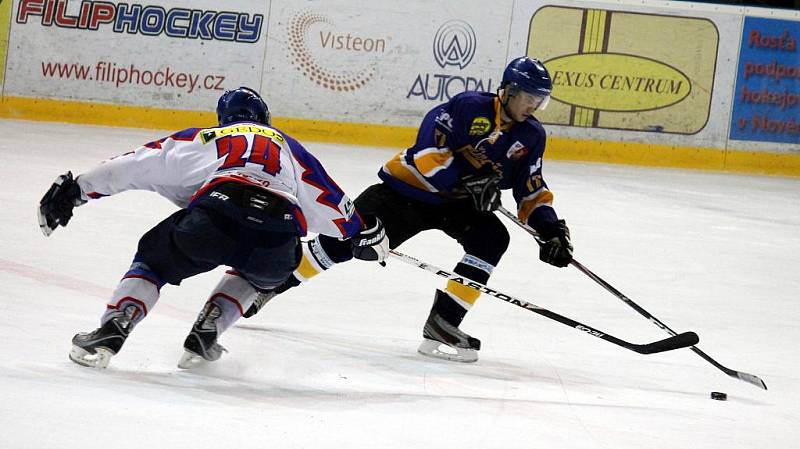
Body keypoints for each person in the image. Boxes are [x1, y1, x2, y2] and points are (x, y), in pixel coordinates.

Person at [245, 56, 573, 363]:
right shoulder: (468, 107)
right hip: (408, 193)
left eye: (539, 99)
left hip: (458, 205)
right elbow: (427, 152)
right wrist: (466, 179)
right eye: (528, 96)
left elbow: (531, 186)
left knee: (492, 238)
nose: (532, 106)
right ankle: (271, 284)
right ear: (509, 91)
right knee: (342, 242)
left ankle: (444, 321)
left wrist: (549, 229)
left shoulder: (531, 135)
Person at [37, 87, 389, 369]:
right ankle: (208, 331)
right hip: (278, 241)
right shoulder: (288, 148)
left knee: (154, 260)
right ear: (266, 119)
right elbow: (326, 197)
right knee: (256, 275)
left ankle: (114, 326)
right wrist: (359, 230)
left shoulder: (209, 137)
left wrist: (76, 190)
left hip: (213, 221)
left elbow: (137, 165)